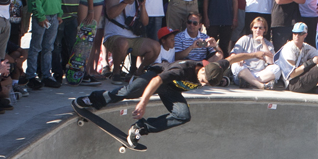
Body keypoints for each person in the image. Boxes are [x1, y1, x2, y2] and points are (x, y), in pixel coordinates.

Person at [74, 55, 259, 147]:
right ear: (201, 70)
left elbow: (232, 58)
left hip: (170, 89)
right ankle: (94, 100)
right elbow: (156, 81)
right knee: (129, 91)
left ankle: (140, 128)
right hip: (156, 76)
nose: (202, 84)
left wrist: (254, 54)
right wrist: (143, 102)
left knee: (183, 115)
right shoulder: (183, 69)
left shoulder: (215, 68)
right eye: (202, 80)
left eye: (206, 84)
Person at [102, 0, 158, 81]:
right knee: (123, 43)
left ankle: (139, 71)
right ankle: (116, 73)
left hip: (134, 38)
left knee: (155, 47)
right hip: (115, 36)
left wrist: (143, 6)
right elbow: (110, 14)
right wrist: (125, 2)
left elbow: (145, 22)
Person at [52, 0, 93, 80]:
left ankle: (70, 70)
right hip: (59, 15)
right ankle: (57, 72)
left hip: (72, 15)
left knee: (71, 45)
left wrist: (91, 10)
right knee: (56, 45)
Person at [229, 16, 279, 89]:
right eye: (255, 27)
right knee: (235, 65)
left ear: (264, 30)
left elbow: (270, 61)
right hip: (245, 71)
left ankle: (250, 82)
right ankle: (260, 85)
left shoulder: (268, 44)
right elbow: (232, 55)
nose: (257, 30)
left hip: (260, 74)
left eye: (260, 28)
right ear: (252, 28)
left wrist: (263, 43)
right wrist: (239, 60)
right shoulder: (245, 39)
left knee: (277, 68)